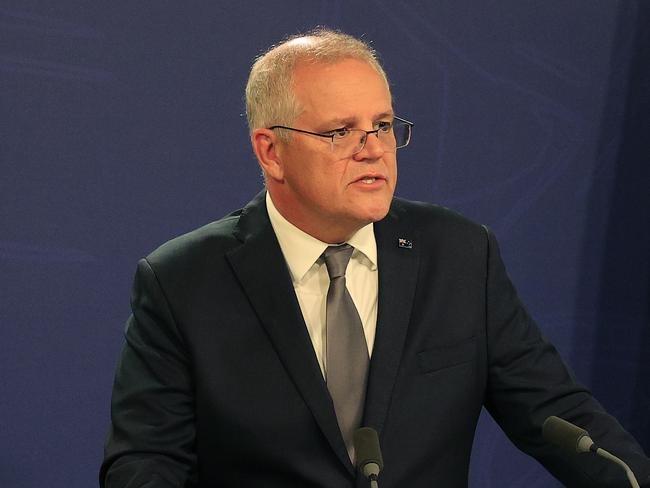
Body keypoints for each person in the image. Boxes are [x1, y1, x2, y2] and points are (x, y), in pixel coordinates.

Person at [100, 28, 650, 487]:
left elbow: (561, 418)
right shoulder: (182, 282)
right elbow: (144, 462)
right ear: (270, 151)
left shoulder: (459, 255)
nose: (374, 149)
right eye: (341, 131)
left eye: (383, 125)